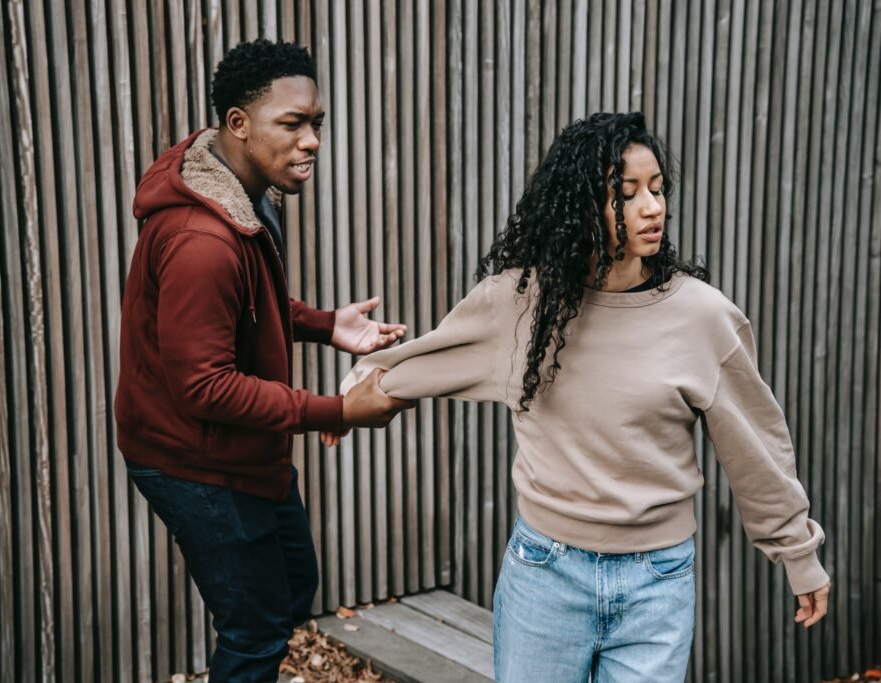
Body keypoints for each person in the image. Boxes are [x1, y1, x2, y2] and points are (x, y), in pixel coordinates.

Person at [337, 112, 830, 682]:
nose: (653, 207)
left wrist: (797, 552)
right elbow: (417, 362)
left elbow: (756, 450)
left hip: (658, 582)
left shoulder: (702, 317)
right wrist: (349, 399)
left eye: (657, 188)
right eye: (627, 194)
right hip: (545, 574)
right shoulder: (518, 305)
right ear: (579, 207)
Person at [114, 39, 410, 682]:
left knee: (289, 588)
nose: (312, 141)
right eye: (293, 124)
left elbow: (246, 305)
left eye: (317, 123)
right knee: (254, 631)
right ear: (239, 124)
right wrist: (339, 409)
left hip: (240, 447)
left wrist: (326, 325)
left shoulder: (239, 193)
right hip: (194, 459)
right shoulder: (202, 241)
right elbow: (205, 387)